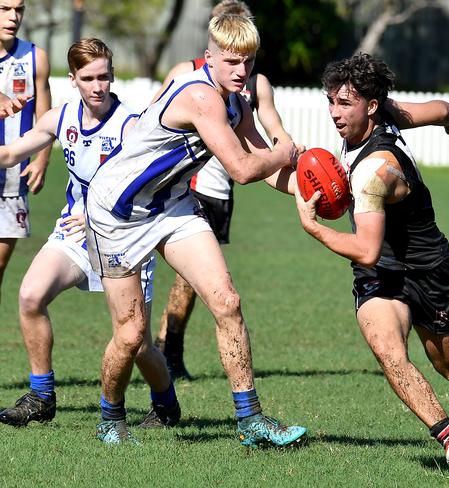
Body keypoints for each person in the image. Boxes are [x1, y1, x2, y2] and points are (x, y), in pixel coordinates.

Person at [84, 14, 306, 446]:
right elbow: (243, 169)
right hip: (118, 212)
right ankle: (110, 417)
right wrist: (286, 152)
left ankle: (251, 420)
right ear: (210, 58)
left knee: (227, 301)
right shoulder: (202, 98)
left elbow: (265, 165)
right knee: (130, 336)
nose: (242, 71)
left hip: (173, 205)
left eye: (249, 61)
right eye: (232, 61)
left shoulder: (237, 103)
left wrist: (313, 192)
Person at [294, 53, 449, 474]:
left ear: (370, 105)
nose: (334, 113)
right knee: (388, 350)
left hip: (430, 271)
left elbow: (364, 247)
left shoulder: (375, 172)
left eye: (344, 103)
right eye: (331, 101)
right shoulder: (386, 112)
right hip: (381, 274)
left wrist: (314, 230)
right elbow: (438, 109)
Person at [0, 39, 179, 433]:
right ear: (73, 80)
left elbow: (150, 182)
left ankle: (165, 403)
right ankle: (41, 395)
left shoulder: (134, 125)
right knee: (30, 295)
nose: (97, 86)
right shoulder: (61, 119)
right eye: (88, 78)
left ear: (113, 75)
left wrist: (99, 212)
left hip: (125, 240)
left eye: (103, 76)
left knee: (137, 343)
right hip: (75, 237)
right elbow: (11, 153)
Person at [154, 0, 293, 381]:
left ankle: (166, 354)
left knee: (203, 286)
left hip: (221, 189)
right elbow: (151, 120)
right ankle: (169, 350)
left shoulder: (254, 85)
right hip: (185, 186)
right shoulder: (187, 75)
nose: (241, 66)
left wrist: (299, 168)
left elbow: (271, 133)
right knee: (190, 281)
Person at [0, 0, 52, 303]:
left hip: (12, 178)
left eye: (18, 9)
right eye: (5, 8)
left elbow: (44, 115)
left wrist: (42, 160)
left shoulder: (35, 57)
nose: (13, 16)